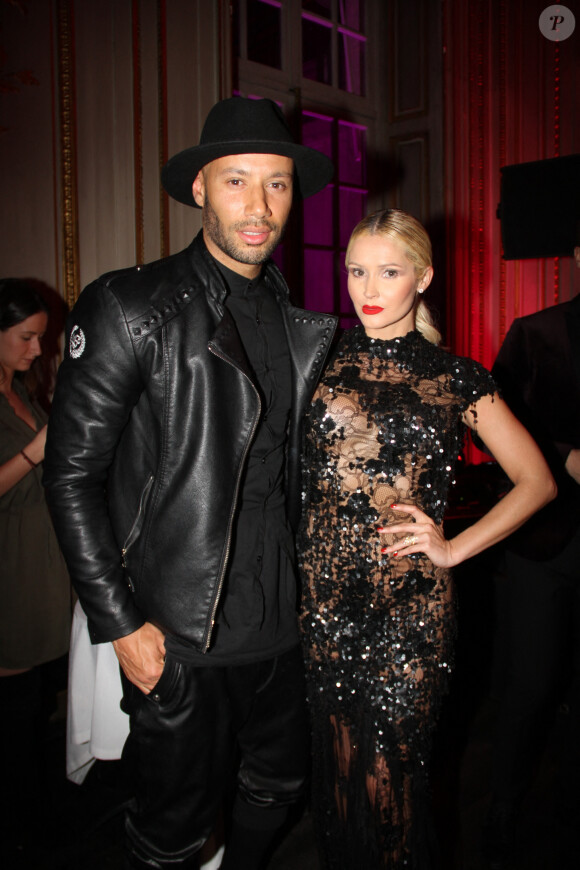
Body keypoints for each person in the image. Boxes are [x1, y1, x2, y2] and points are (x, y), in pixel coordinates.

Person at [43, 96, 337, 870]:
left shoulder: (294, 317)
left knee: (278, 785)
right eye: (237, 181)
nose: (259, 205)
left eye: (276, 184)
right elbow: (72, 477)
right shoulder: (129, 306)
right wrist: (121, 626)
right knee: (171, 829)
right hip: (181, 631)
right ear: (200, 189)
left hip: (283, 624)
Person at [297, 209, 556, 869]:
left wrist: (453, 548)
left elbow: (536, 480)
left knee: (392, 787)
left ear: (424, 277)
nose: (367, 287)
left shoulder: (455, 377)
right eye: (356, 270)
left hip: (409, 611)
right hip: (324, 610)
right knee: (339, 785)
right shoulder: (316, 361)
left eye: (388, 270)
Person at [482, 244, 580, 868]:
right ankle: (499, 826)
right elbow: (489, 425)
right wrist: (565, 456)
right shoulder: (535, 331)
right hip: (546, 541)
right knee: (528, 690)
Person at [0, 278, 71, 851]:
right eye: (26, 338)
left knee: (37, 707)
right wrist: (35, 449)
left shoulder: (22, 390)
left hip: (42, 563)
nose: (36, 350)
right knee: (14, 714)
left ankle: (40, 814)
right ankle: (25, 831)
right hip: (9, 568)